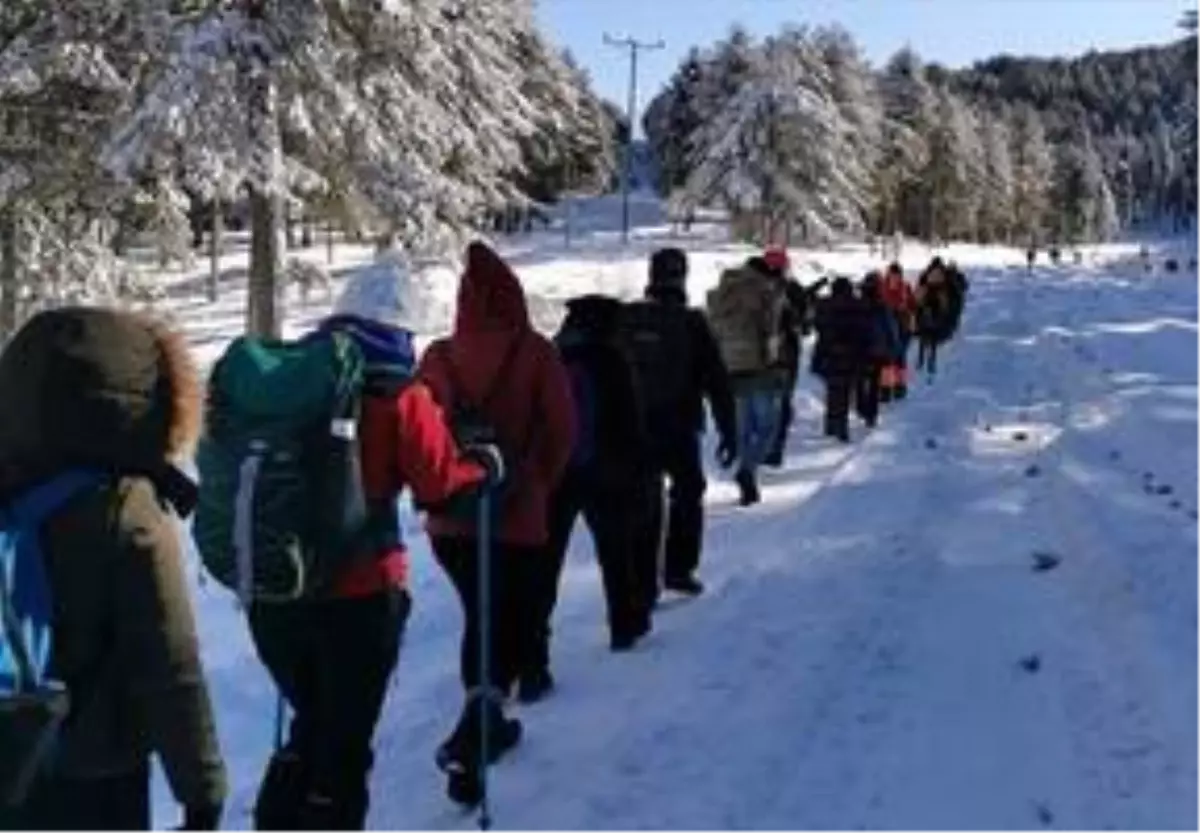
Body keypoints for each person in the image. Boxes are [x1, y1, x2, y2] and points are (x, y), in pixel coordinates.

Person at [245, 252, 493, 831]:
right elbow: (441, 486)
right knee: (345, 746)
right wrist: (482, 465)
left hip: (277, 589)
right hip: (360, 591)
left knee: (309, 725)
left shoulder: (286, 380)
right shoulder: (397, 393)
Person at [0, 308, 227, 833]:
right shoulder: (125, 505)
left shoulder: (11, 477)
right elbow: (171, 662)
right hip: (96, 772)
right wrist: (202, 790)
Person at [419, 241, 575, 797]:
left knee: (480, 614)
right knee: (505, 619)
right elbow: (562, 430)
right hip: (517, 513)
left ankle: (484, 720)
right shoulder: (535, 352)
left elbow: (421, 435)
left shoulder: (437, 356)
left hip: (453, 518)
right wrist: (535, 484)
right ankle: (473, 735)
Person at [537, 295, 652, 692]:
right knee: (615, 551)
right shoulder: (611, 358)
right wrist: (636, 470)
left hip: (555, 474)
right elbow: (628, 420)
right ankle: (625, 624)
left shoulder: (550, 357)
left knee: (545, 565)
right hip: (604, 472)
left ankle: (534, 654)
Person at [621, 248, 737, 599]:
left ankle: (641, 582)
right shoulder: (692, 322)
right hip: (681, 425)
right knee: (687, 494)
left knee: (644, 500)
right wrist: (728, 429)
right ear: (682, 277)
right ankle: (678, 569)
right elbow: (716, 380)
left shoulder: (627, 319)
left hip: (634, 427)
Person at [707, 255, 789, 506]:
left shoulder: (720, 291)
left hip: (728, 367)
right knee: (766, 428)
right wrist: (775, 362)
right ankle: (748, 469)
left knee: (743, 428)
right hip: (758, 366)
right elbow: (771, 331)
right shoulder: (765, 290)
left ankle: (747, 478)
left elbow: (712, 327)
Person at [760, 247, 828, 468]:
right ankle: (775, 448)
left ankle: (755, 446)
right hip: (786, 354)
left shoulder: (750, 289)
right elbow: (807, 327)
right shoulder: (793, 289)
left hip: (754, 353)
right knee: (783, 401)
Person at [811, 278, 869, 442]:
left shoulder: (824, 306)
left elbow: (817, 325)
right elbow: (864, 330)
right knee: (845, 392)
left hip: (827, 354)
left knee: (832, 391)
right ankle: (841, 428)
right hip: (851, 356)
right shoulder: (858, 306)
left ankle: (830, 425)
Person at [857, 272, 900, 429]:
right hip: (878, 351)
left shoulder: (858, 304)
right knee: (874, 385)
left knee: (861, 381)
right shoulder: (883, 306)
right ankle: (871, 415)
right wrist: (894, 350)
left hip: (860, 350)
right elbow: (891, 330)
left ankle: (862, 408)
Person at [879, 261, 916, 402]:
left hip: (903, 325)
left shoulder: (906, 287)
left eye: (897, 275)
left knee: (900, 358)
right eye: (892, 275)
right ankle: (885, 389)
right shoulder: (882, 287)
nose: (894, 278)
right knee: (886, 360)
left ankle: (900, 385)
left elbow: (912, 304)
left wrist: (911, 318)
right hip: (887, 325)